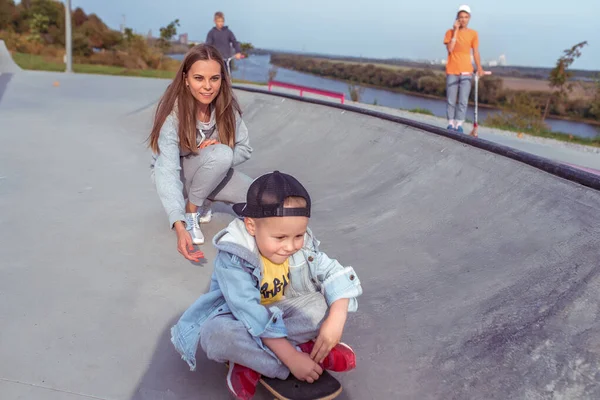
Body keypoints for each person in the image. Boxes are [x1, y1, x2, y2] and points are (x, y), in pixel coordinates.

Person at [170, 171, 363, 400]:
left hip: (283, 314)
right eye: (280, 238)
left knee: (324, 304)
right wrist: (291, 359)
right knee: (215, 335)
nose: (290, 246)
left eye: (298, 235)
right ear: (251, 226)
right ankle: (289, 358)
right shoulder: (233, 257)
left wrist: (336, 319)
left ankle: (251, 363)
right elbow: (250, 313)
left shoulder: (301, 245)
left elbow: (334, 273)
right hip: (240, 319)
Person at [148, 44, 253, 261]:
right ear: (186, 79)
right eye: (199, 78)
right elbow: (166, 171)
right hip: (176, 176)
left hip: (210, 170)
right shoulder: (173, 115)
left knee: (257, 195)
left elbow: (245, 149)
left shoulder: (226, 110)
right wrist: (180, 226)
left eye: (214, 79)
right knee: (222, 154)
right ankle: (192, 211)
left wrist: (215, 151)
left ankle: (204, 197)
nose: (207, 87)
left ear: (222, 79)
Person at [443, 4, 486, 133]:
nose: (463, 19)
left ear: (469, 18)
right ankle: (450, 123)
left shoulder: (473, 34)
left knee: (463, 100)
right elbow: (450, 49)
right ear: (457, 18)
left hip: (466, 70)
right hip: (452, 69)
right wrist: (455, 31)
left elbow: (476, 52)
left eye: (466, 17)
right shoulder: (449, 32)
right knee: (451, 99)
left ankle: (459, 124)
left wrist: (479, 67)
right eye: (461, 17)